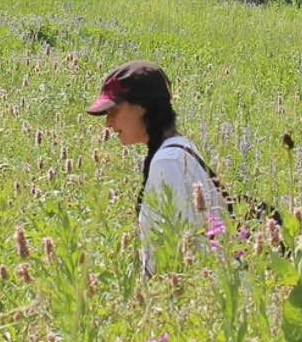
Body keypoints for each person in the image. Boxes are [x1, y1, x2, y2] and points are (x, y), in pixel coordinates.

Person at [87, 61, 220, 272]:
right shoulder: (179, 149)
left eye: (113, 111)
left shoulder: (167, 162)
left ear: (142, 107)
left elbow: (176, 251)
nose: (108, 124)